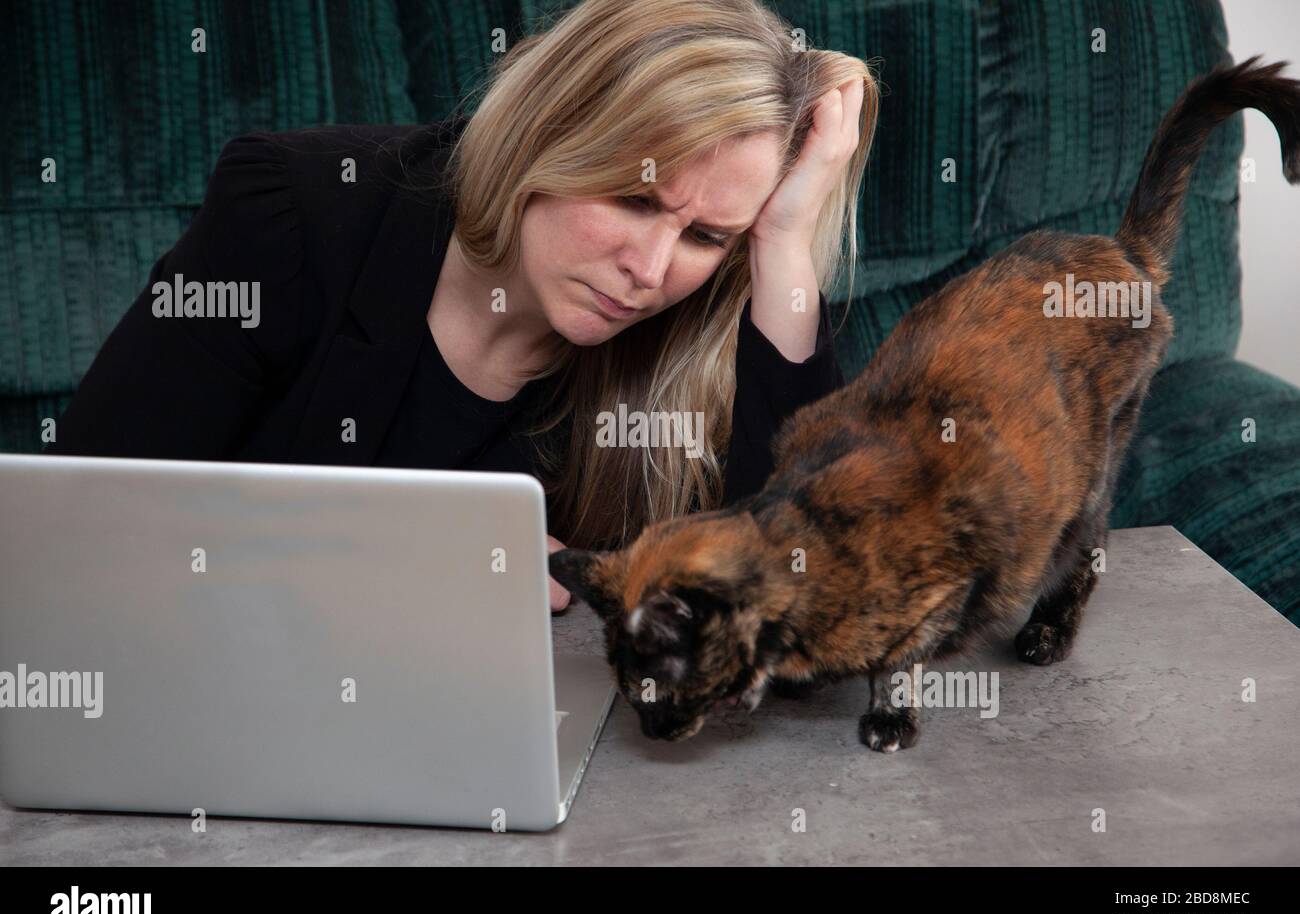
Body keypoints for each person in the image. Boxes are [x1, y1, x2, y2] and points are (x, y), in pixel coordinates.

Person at [49, 0, 880, 612]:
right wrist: (412, 557)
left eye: (706, 236)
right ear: (549, 133)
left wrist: (783, 245)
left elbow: (810, 591)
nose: (648, 269)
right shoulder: (296, 214)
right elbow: (77, 525)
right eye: (632, 198)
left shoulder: (712, 323)